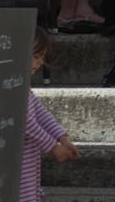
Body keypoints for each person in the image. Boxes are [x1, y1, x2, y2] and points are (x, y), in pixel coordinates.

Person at [21, 28, 80, 200]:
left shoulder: (24, 88)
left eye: (41, 57)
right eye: (36, 57)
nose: (39, 63)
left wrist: (62, 139)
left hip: (28, 157)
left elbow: (41, 113)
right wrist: (53, 146)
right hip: (16, 159)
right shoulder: (14, 88)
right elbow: (26, 122)